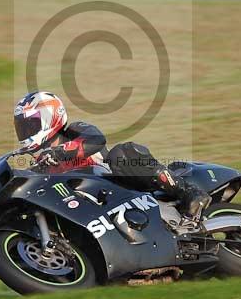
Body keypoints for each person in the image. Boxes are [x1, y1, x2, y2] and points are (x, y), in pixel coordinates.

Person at [13, 91, 211, 220]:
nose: (26, 131)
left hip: (118, 184)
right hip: (90, 209)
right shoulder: (41, 163)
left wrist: (61, 152)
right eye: (23, 127)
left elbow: (97, 139)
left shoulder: (74, 130)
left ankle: (187, 191)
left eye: (31, 124)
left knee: (122, 153)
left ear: (51, 117)